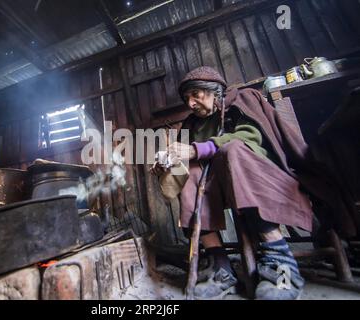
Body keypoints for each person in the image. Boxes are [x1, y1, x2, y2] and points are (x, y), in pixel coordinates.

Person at [150, 66, 356, 300]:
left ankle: (281, 265)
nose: (191, 103)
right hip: (216, 187)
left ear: (214, 91)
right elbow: (186, 158)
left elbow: (250, 137)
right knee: (188, 175)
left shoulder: (241, 100)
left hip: (258, 173)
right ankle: (221, 268)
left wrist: (198, 149)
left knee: (233, 150)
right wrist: (167, 163)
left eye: (196, 94)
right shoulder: (192, 124)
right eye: (187, 98)